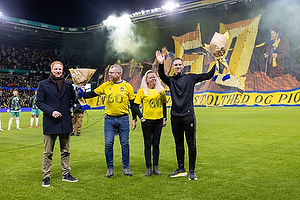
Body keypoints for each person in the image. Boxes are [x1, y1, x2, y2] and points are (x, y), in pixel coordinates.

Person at [156, 51, 215, 180]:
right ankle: (181, 169)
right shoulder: (170, 80)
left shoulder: (190, 78)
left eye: (179, 64)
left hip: (188, 115)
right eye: (175, 65)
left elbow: (208, 75)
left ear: (183, 66)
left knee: (191, 143)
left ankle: (192, 171)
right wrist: (160, 63)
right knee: (178, 143)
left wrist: (217, 62)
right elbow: (161, 75)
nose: (177, 66)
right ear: (173, 67)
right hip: (175, 116)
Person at [82, 64, 136, 178]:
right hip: (109, 119)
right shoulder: (106, 85)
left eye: (111, 73)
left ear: (118, 73)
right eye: (109, 72)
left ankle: (126, 168)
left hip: (124, 118)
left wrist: (134, 119)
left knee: (125, 144)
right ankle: (110, 169)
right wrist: (81, 92)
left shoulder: (128, 86)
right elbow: (91, 94)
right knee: (108, 144)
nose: (109, 74)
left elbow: (133, 104)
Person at [36, 61, 78, 187]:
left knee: (65, 151)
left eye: (60, 69)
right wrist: (51, 111)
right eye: (56, 69)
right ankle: (46, 176)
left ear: (62, 70)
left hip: (65, 122)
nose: (58, 71)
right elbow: (39, 102)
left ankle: (66, 174)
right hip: (50, 122)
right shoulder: (43, 84)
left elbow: (72, 100)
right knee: (48, 152)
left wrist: (76, 105)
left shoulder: (68, 85)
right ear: (51, 70)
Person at [132, 70, 167, 177]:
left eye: (154, 77)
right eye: (150, 77)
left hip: (158, 120)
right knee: (147, 144)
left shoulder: (161, 90)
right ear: (146, 80)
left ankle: (155, 167)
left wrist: (164, 118)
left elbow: (164, 104)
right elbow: (135, 106)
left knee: (156, 144)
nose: (153, 79)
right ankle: (148, 167)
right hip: (147, 121)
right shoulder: (142, 91)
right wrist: (141, 117)